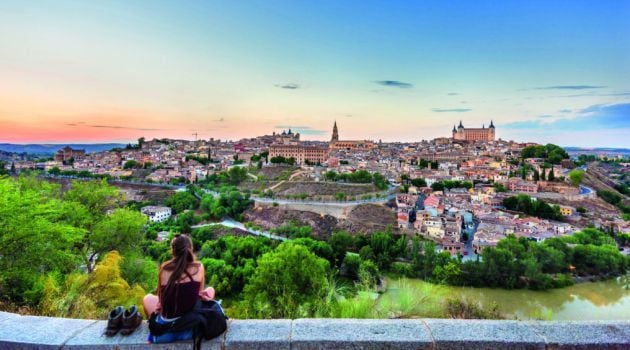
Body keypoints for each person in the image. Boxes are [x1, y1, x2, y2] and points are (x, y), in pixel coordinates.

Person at [143, 234, 215, 343]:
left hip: (165, 332)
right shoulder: (198, 267)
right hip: (190, 329)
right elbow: (199, 294)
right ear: (191, 249)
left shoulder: (165, 268)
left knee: (148, 298)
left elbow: (161, 299)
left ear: (173, 250)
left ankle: (155, 330)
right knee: (210, 290)